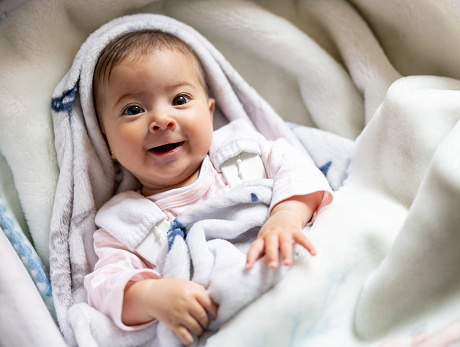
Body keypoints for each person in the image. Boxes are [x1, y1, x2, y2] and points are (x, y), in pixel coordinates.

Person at [84, 29, 333, 346]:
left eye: (180, 100)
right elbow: (104, 286)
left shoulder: (241, 150)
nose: (162, 119)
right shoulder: (126, 223)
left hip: (300, 281)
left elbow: (299, 170)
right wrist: (151, 295)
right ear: (107, 143)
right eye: (133, 109)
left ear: (210, 113)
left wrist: (286, 216)